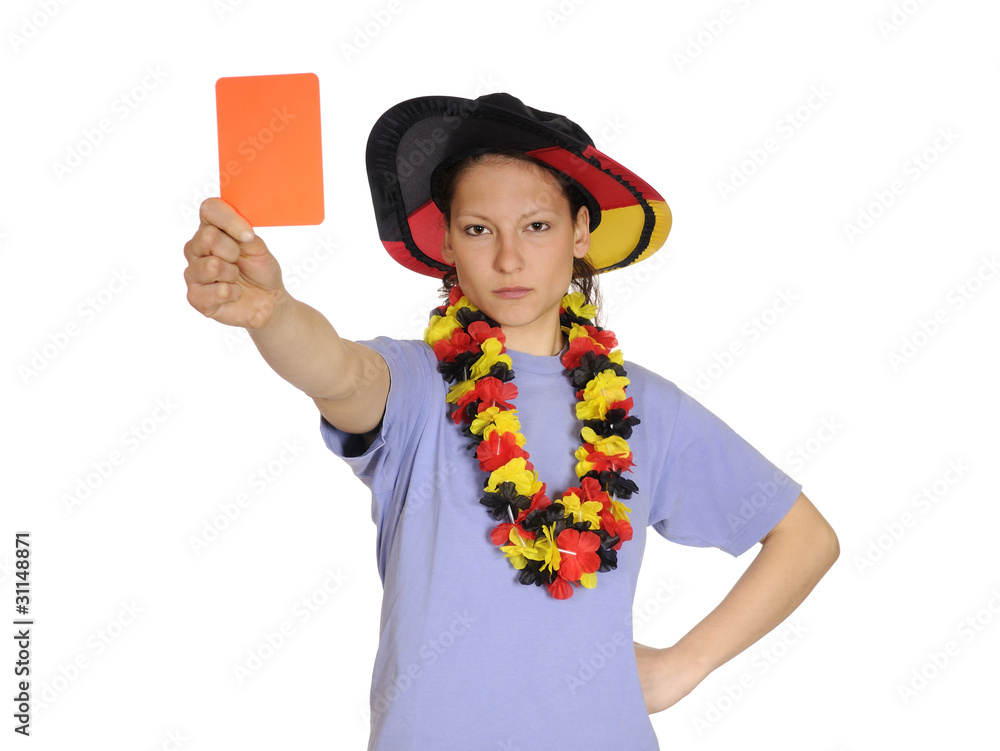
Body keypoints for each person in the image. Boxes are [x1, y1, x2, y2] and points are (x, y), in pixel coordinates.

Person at [183, 92, 839, 750]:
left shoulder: (645, 407)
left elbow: (805, 537)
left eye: (536, 226)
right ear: (447, 240)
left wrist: (680, 667)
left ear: (580, 232)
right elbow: (338, 373)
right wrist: (274, 312)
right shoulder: (416, 385)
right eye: (478, 229)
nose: (507, 259)